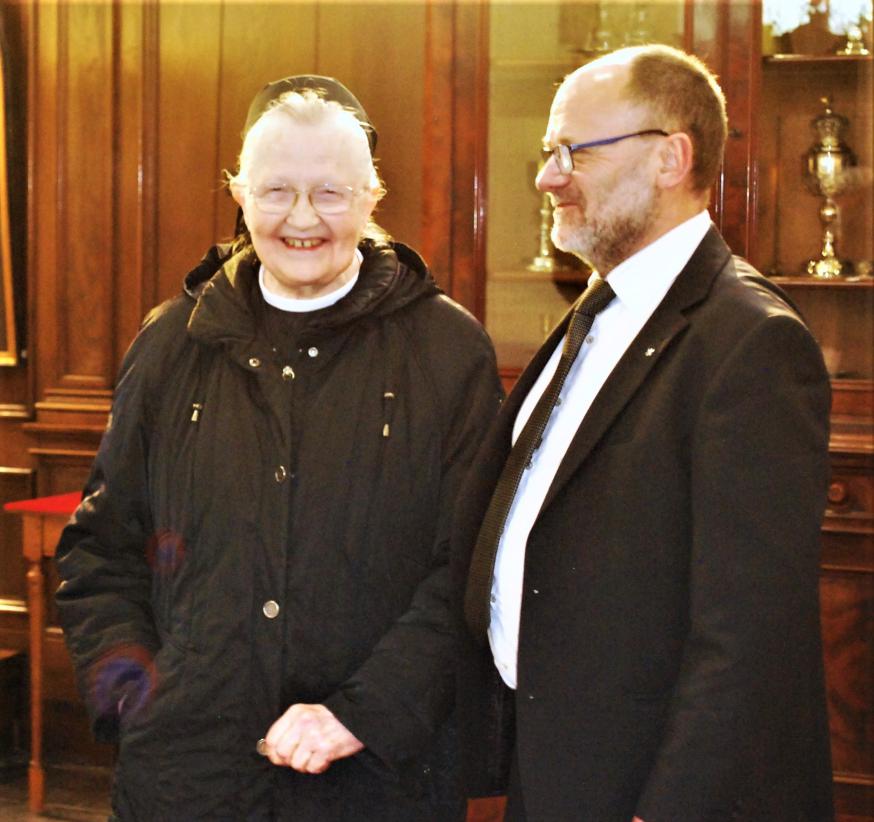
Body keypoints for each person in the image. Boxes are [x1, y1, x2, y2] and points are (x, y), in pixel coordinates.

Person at [54, 75, 501, 821]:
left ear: (371, 199)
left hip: (377, 781)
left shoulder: (449, 353)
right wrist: (139, 698)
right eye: (275, 192)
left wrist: (364, 714)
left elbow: (468, 575)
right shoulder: (171, 342)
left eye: (330, 194)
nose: (301, 219)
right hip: (186, 780)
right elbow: (100, 547)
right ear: (239, 194)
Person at [453, 45, 834, 822]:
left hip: (650, 792)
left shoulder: (751, 344)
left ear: (670, 157)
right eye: (546, 152)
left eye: (573, 152)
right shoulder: (596, 314)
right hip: (555, 764)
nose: (545, 176)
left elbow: (748, 640)